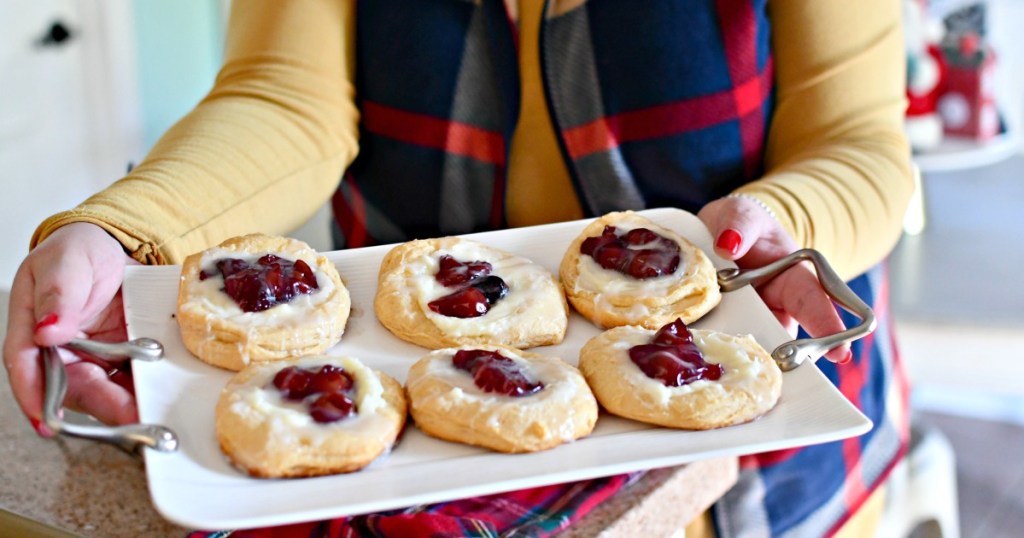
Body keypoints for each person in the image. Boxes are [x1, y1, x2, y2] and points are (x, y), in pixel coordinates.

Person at [3, 0, 914, 536]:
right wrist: (127, 231)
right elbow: (285, 99)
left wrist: (785, 223)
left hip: (758, 359)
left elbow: (859, 142)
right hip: (412, 436)